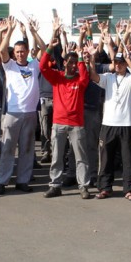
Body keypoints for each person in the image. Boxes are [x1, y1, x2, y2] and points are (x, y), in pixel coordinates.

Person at [39, 29, 93, 199]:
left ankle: (83, 186)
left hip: (77, 124)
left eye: (74, 63)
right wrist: (49, 48)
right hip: (59, 124)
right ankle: (55, 185)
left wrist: (81, 58)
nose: (72, 65)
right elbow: (42, 66)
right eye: (69, 62)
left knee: (81, 158)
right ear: (64, 63)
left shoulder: (81, 80)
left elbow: (84, 73)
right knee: (56, 157)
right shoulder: (57, 77)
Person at [0, 16, 44, 194]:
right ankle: (2, 181)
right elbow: (1, 50)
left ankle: (22, 181)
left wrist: (33, 32)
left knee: (27, 149)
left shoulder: (34, 66)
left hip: (30, 113)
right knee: (8, 149)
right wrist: (7, 32)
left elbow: (44, 49)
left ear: (27, 51)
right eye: (17, 52)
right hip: (13, 114)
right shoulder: (10, 66)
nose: (20, 54)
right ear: (14, 53)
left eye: (22, 51)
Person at [91, 39, 131, 200]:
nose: (118, 65)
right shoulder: (108, 77)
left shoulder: (130, 78)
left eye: (121, 62)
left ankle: (129, 189)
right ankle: (105, 188)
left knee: (128, 159)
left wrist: (128, 59)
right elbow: (93, 76)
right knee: (106, 158)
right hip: (108, 125)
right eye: (116, 62)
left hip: (126, 124)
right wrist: (92, 58)